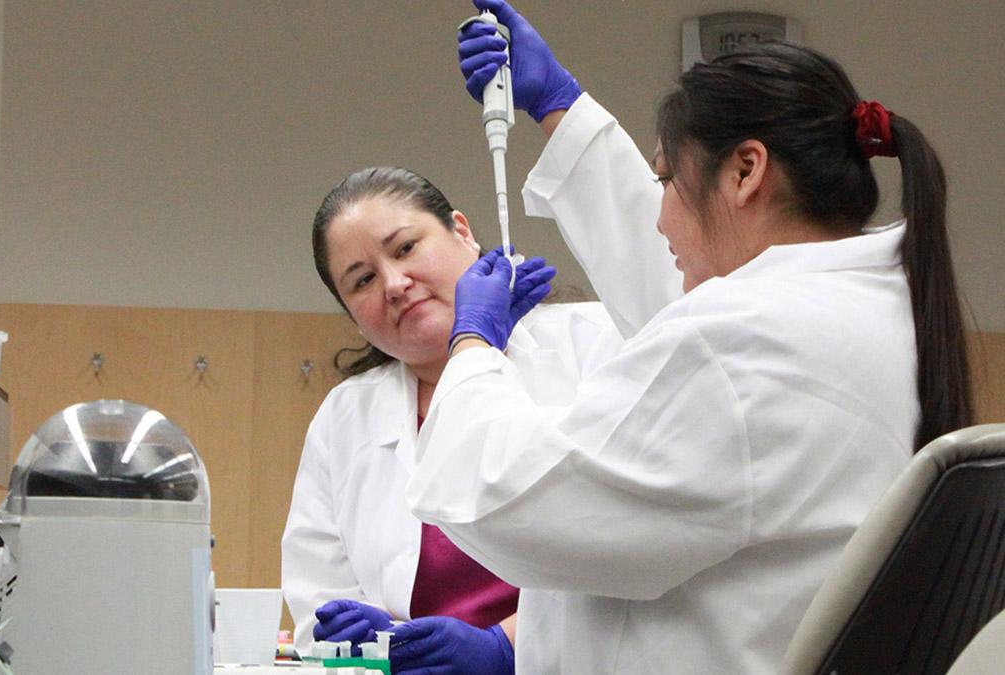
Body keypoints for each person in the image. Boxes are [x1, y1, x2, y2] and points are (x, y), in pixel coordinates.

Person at [399, 1, 974, 673]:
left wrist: (473, 344)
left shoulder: (747, 342)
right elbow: (687, 302)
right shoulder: (864, 303)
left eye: (667, 178)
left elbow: (504, 495)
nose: (663, 216)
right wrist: (561, 107)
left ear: (746, 170)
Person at [279, 166, 631, 674]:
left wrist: (506, 648)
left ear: (462, 232)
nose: (395, 284)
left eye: (404, 248)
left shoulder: (594, 342)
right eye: (362, 280)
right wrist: (370, 645)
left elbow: (633, 540)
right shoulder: (344, 418)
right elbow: (318, 596)